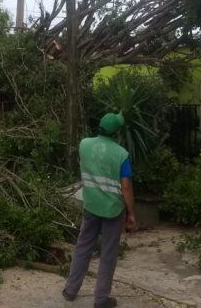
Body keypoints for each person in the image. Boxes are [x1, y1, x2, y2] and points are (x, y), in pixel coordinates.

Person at [63, 113, 136, 308]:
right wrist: (131, 213)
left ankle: (70, 290)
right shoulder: (121, 154)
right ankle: (101, 299)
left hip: (91, 205)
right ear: (117, 133)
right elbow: (126, 187)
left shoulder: (84, 144)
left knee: (83, 247)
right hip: (113, 210)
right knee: (108, 254)